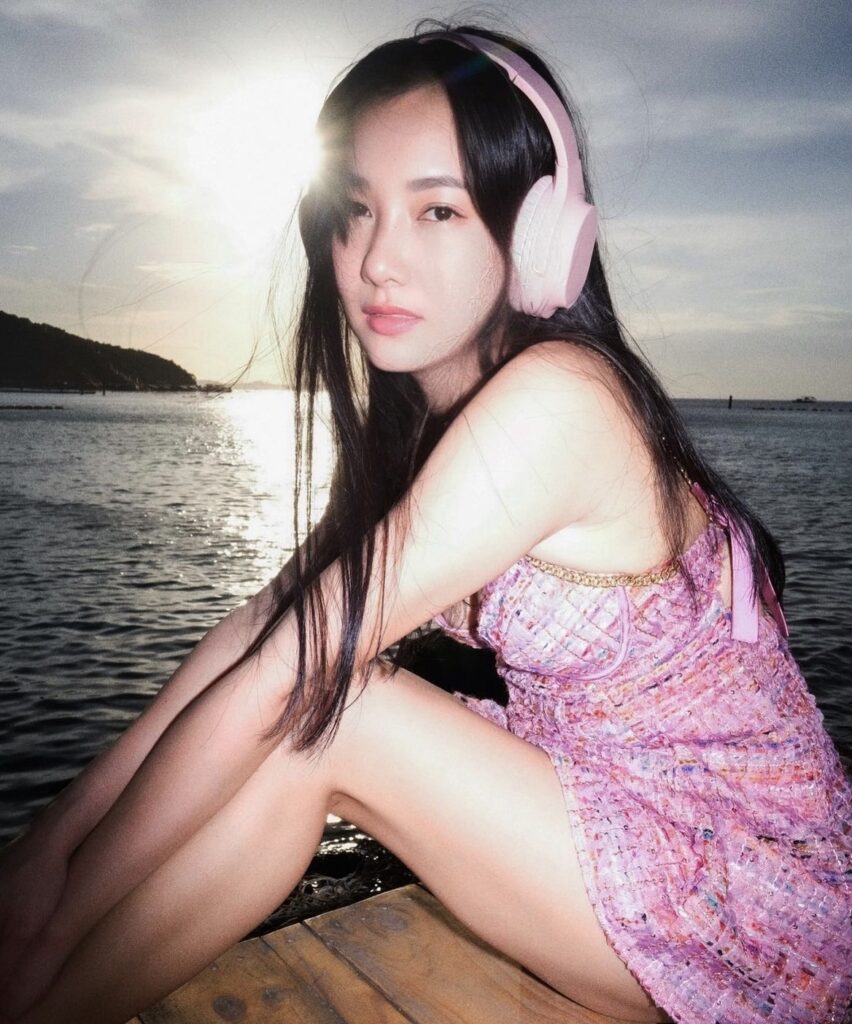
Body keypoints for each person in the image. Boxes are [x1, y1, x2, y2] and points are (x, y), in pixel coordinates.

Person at [0, 23, 849, 1024]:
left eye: (437, 209)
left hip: (748, 900)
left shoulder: (564, 399)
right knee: (308, 718)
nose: (375, 260)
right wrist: (54, 840)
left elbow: (295, 671)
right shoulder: (427, 425)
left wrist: (53, 915)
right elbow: (263, 626)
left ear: (540, 235)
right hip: (611, 830)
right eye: (354, 209)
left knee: (336, 712)